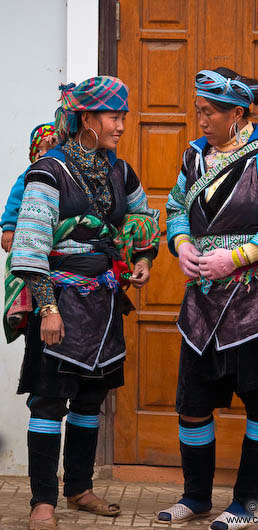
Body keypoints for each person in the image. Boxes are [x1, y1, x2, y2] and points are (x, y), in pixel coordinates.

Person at [156, 67, 258, 530]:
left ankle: (247, 503)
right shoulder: (193, 159)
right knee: (193, 402)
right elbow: (177, 209)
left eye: (209, 112)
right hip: (202, 301)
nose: (200, 119)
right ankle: (196, 497)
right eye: (198, 110)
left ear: (237, 113)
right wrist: (182, 245)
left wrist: (236, 257)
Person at [9, 76, 160, 530]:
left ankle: (79, 488)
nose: (120, 126)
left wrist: (144, 257)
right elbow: (30, 247)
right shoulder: (48, 172)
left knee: (91, 398)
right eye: (114, 117)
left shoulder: (119, 170)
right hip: (58, 300)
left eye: (122, 118)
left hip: (104, 303)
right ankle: (42, 502)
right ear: (87, 119)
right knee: (49, 400)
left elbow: (142, 217)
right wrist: (48, 309)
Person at [1, 123, 58, 252]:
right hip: (33, 234)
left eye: (49, 149)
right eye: (38, 150)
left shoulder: (66, 173)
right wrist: (9, 228)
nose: (42, 154)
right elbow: (14, 201)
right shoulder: (30, 174)